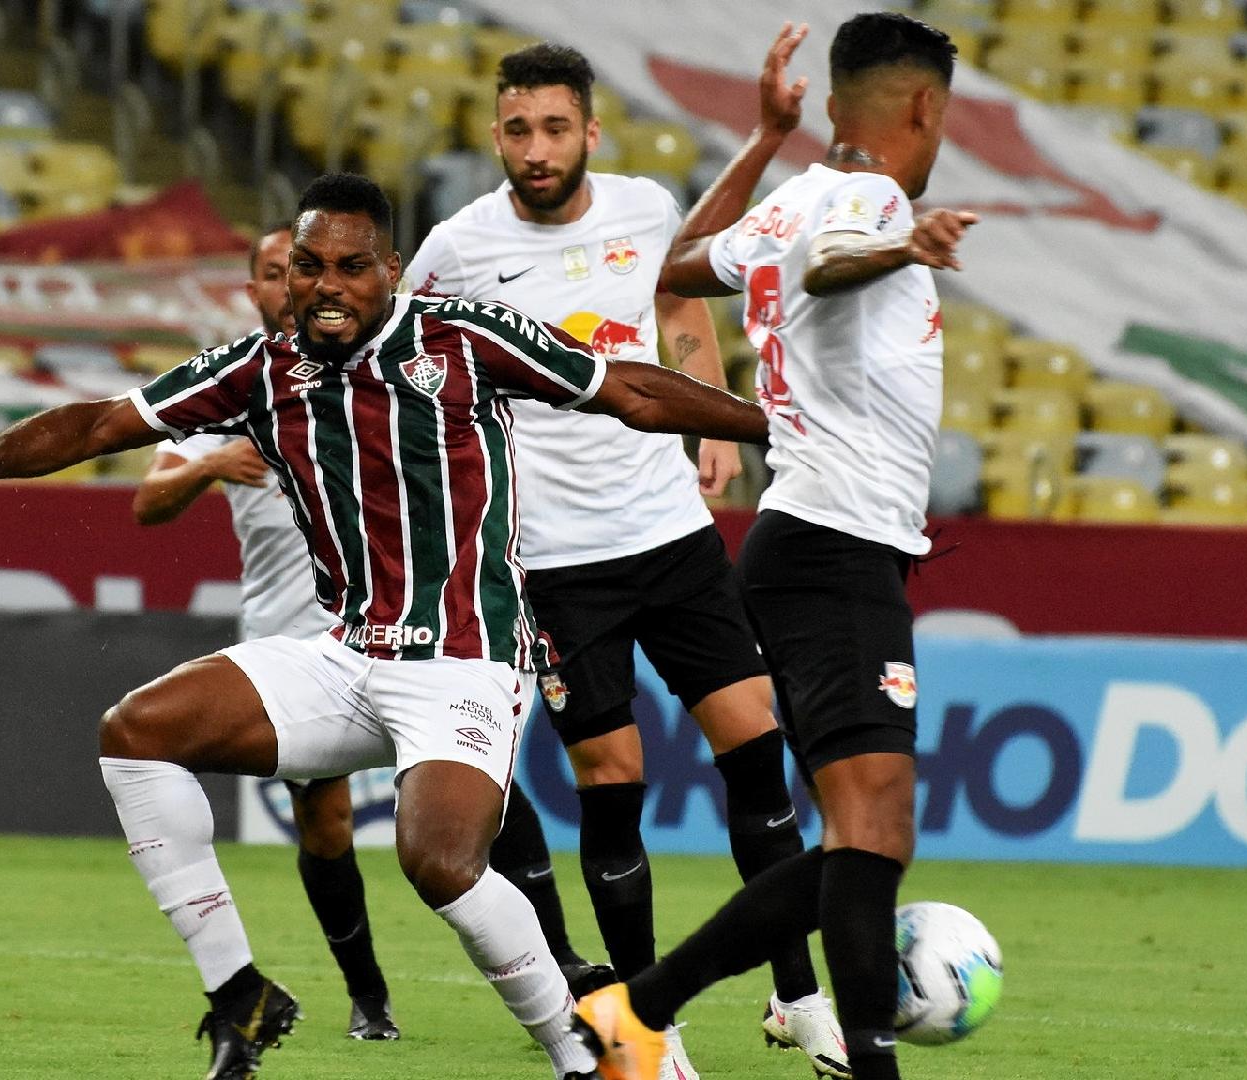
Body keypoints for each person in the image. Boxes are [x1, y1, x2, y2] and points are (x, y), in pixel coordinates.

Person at [0, 173, 781, 1080]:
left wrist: (771, 427)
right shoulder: (259, 368)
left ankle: (595, 1054)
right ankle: (238, 991)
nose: (328, 285)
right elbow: (101, 424)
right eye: (309, 265)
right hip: (349, 654)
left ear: (391, 270)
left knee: (438, 861)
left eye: (352, 267)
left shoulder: (463, 337)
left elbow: (630, 390)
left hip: (465, 657)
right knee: (136, 733)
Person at [404, 43, 843, 1078]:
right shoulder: (455, 249)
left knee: (757, 749)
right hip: (556, 562)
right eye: (519, 130)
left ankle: (797, 996)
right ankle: (649, 1022)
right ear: (496, 136)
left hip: (672, 536)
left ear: (590, 132)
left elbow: (680, 298)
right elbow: (401, 354)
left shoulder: (645, 208)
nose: (537, 148)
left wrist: (712, 418)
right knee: (614, 779)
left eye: (556, 128)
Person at [573, 16, 977, 1080]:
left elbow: (670, 267)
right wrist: (905, 246)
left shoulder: (791, 199)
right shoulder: (870, 204)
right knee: (873, 829)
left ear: (832, 105)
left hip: (812, 542)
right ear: (926, 107)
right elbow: (836, 266)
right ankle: (851, 1058)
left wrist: (760, 141)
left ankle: (637, 1008)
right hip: (835, 544)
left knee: (865, 835)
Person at [135, 224, 610, 1046]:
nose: (305, 284)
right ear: (259, 289)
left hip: (424, 634)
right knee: (325, 825)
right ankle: (367, 997)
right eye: (282, 271)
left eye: (330, 267)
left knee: (477, 809)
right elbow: (148, 500)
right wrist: (208, 464)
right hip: (298, 637)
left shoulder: (402, 363)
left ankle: (562, 966)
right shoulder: (240, 385)